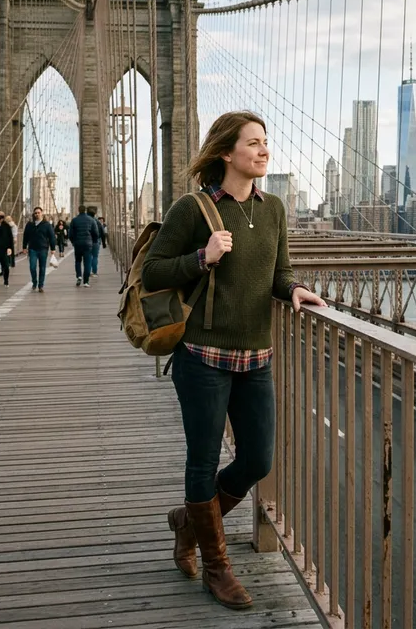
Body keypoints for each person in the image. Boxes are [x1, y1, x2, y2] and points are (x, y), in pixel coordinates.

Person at [141, 112, 325, 609]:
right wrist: (202, 257)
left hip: (256, 357)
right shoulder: (192, 209)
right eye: (254, 143)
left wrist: (296, 290)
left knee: (257, 458)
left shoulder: (275, 209)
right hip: (201, 357)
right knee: (202, 460)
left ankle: (188, 522)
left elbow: (278, 270)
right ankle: (217, 569)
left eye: (266, 143)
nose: (264, 151)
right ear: (227, 152)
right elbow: (154, 271)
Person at [22, 207, 56, 292]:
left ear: (42, 213)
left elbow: (52, 237)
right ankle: (34, 282)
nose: (37, 214)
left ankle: (41, 285)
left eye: (38, 212)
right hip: (32, 248)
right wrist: (24, 247)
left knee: (42, 268)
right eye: (35, 213)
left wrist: (53, 248)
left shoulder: (47, 225)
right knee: (32, 267)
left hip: (43, 249)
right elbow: (25, 236)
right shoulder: (29, 225)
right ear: (34, 214)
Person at [68, 205, 98, 287]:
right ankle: (86, 281)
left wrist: (73, 242)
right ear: (85, 211)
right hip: (88, 244)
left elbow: (70, 234)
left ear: (78, 210)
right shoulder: (91, 220)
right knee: (87, 262)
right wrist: (94, 241)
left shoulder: (74, 220)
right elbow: (95, 233)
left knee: (78, 261)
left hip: (77, 244)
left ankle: (79, 276)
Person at [87, 207, 106, 277]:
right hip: (95, 241)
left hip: (87, 241)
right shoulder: (97, 222)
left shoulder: (85, 221)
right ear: (94, 214)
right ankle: (94, 272)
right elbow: (103, 233)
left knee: (88, 257)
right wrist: (104, 243)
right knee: (95, 257)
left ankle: (88, 271)